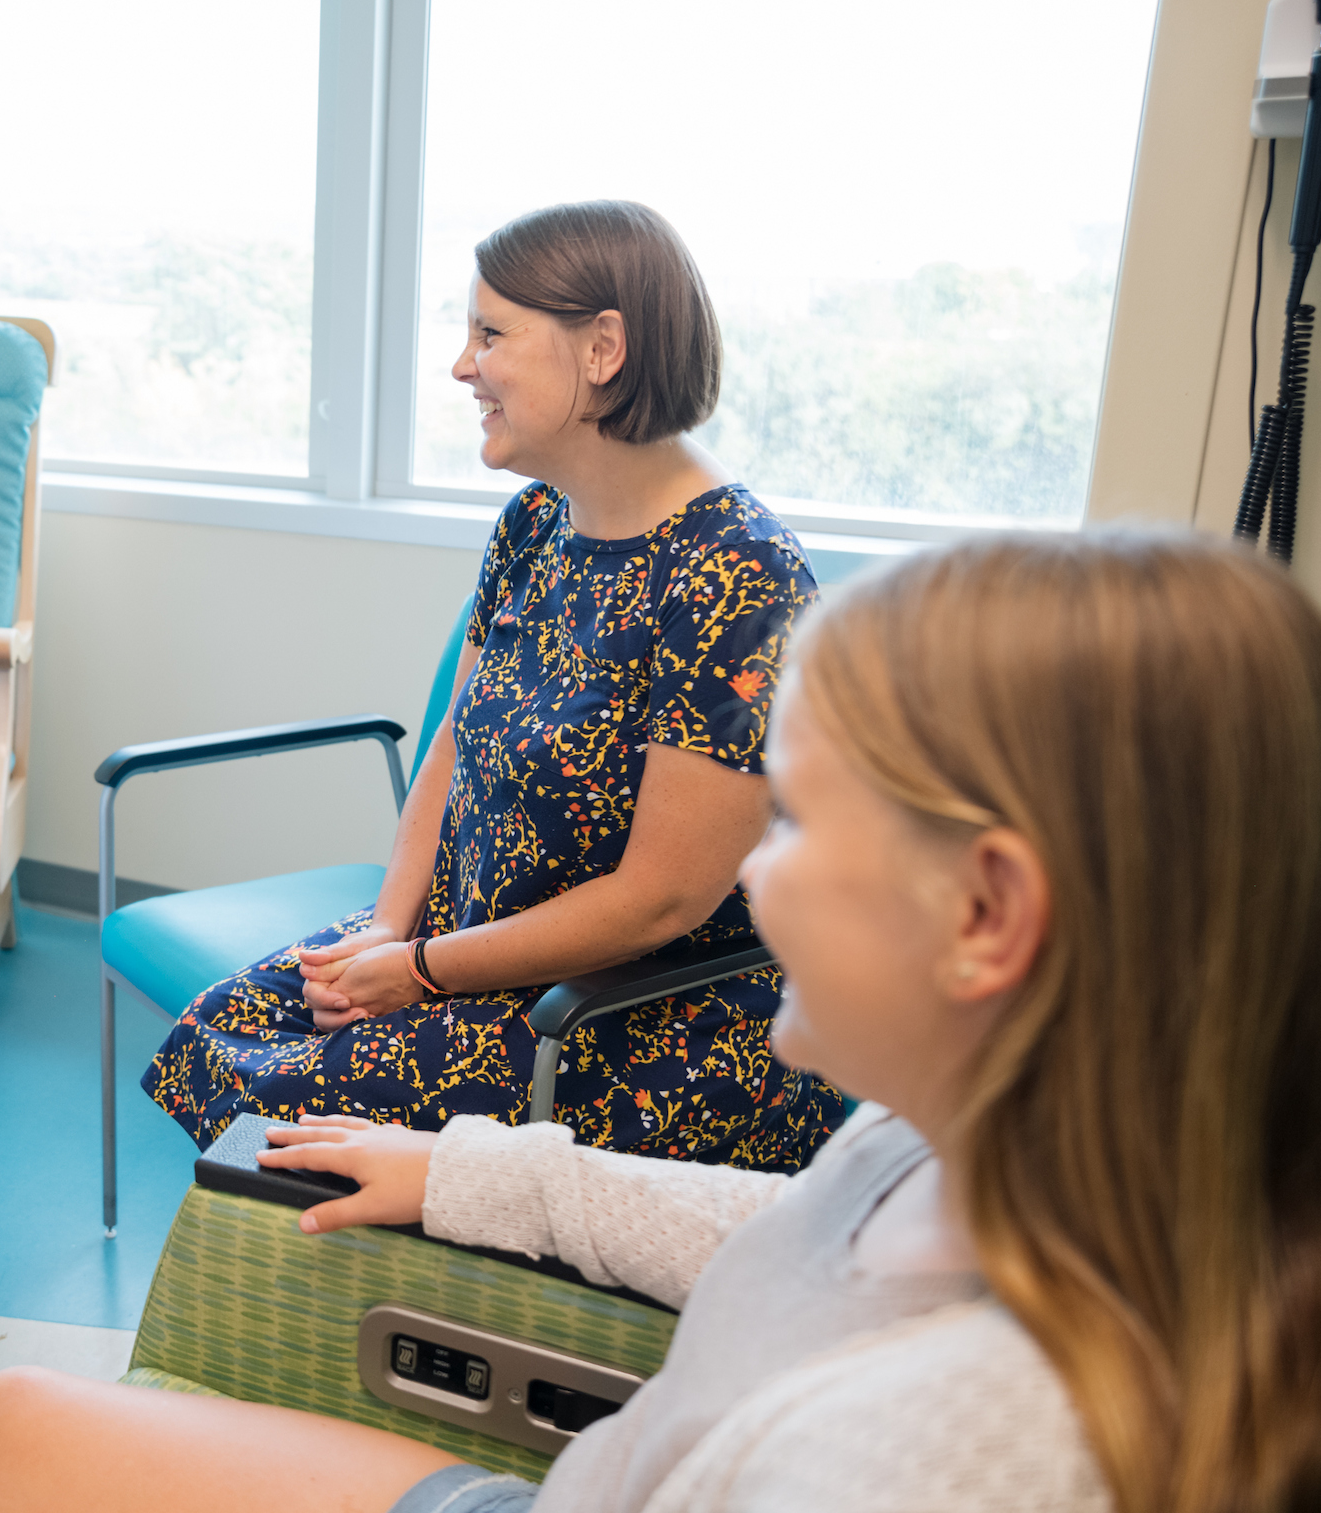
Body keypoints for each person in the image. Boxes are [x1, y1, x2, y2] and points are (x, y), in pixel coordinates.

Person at [0, 526, 1321, 1513]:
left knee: (9, 1443)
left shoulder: (935, 1456)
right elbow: (782, 1230)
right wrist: (476, 1171)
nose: (750, 876)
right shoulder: (971, 1147)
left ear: (988, 915)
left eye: (803, 819)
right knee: (16, 1429)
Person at [146, 201, 843, 1172]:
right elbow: (452, 747)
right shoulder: (534, 524)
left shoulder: (735, 573)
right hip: (471, 949)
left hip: (640, 1012)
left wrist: (418, 970)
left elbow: (660, 901)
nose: (462, 366)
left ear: (602, 349)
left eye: (490, 334)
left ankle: (382, 1316)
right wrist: (388, 927)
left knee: (302, 1095)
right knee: (221, 1027)